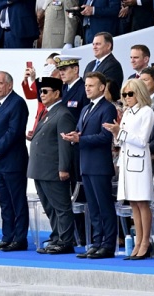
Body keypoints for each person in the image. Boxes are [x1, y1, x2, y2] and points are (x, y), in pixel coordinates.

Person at [62, 72, 118, 260]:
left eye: (91, 85)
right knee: (93, 207)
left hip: (99, 165)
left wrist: (81, 139)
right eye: (86, 85)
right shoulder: (86, 108)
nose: (87, 88)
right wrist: (73, 136)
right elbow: (81, 132)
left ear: (102, 87)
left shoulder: (107, 108)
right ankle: (96, 242)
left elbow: (105, 137)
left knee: (104, 206)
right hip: (85, 163)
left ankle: (108, 245)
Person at [105, 78, 154, 260]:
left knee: (142, 202)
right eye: (124, 94)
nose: (126, 97)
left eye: (130, 94)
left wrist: (120, 132)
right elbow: (121, 140)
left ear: (139, 93)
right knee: (133, 202)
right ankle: (137, 242)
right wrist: (116, 133)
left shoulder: (146, 112)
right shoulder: (127, 112)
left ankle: (145, 242)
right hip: (126, 161)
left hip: (139, 161)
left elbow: (142, 140)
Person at [28, 77, 77, 255]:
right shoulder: (48, 112)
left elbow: (64, 144)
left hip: (53, 169)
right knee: (49, 207)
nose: (41, 95)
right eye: (40, 92)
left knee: (61, 207)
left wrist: (64, 168)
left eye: (45, 91)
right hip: (41, 169)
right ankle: (57, 237)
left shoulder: (63, 114)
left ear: (56, 93)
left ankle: (66, 241)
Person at [0, 71, 29, 252]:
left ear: (9, 85)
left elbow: (14, 132)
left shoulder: (17, 103)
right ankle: (7, 237)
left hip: (12, 161)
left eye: (0, 83)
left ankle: (19, 239)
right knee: (5, 202)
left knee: (17, 201)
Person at [83, 32, 124, 101]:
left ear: (108, 46)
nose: (94, 47)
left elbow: (108, 92)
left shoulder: (113, 65)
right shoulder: (90, 65)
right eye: (93, 44)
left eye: (98, 44)